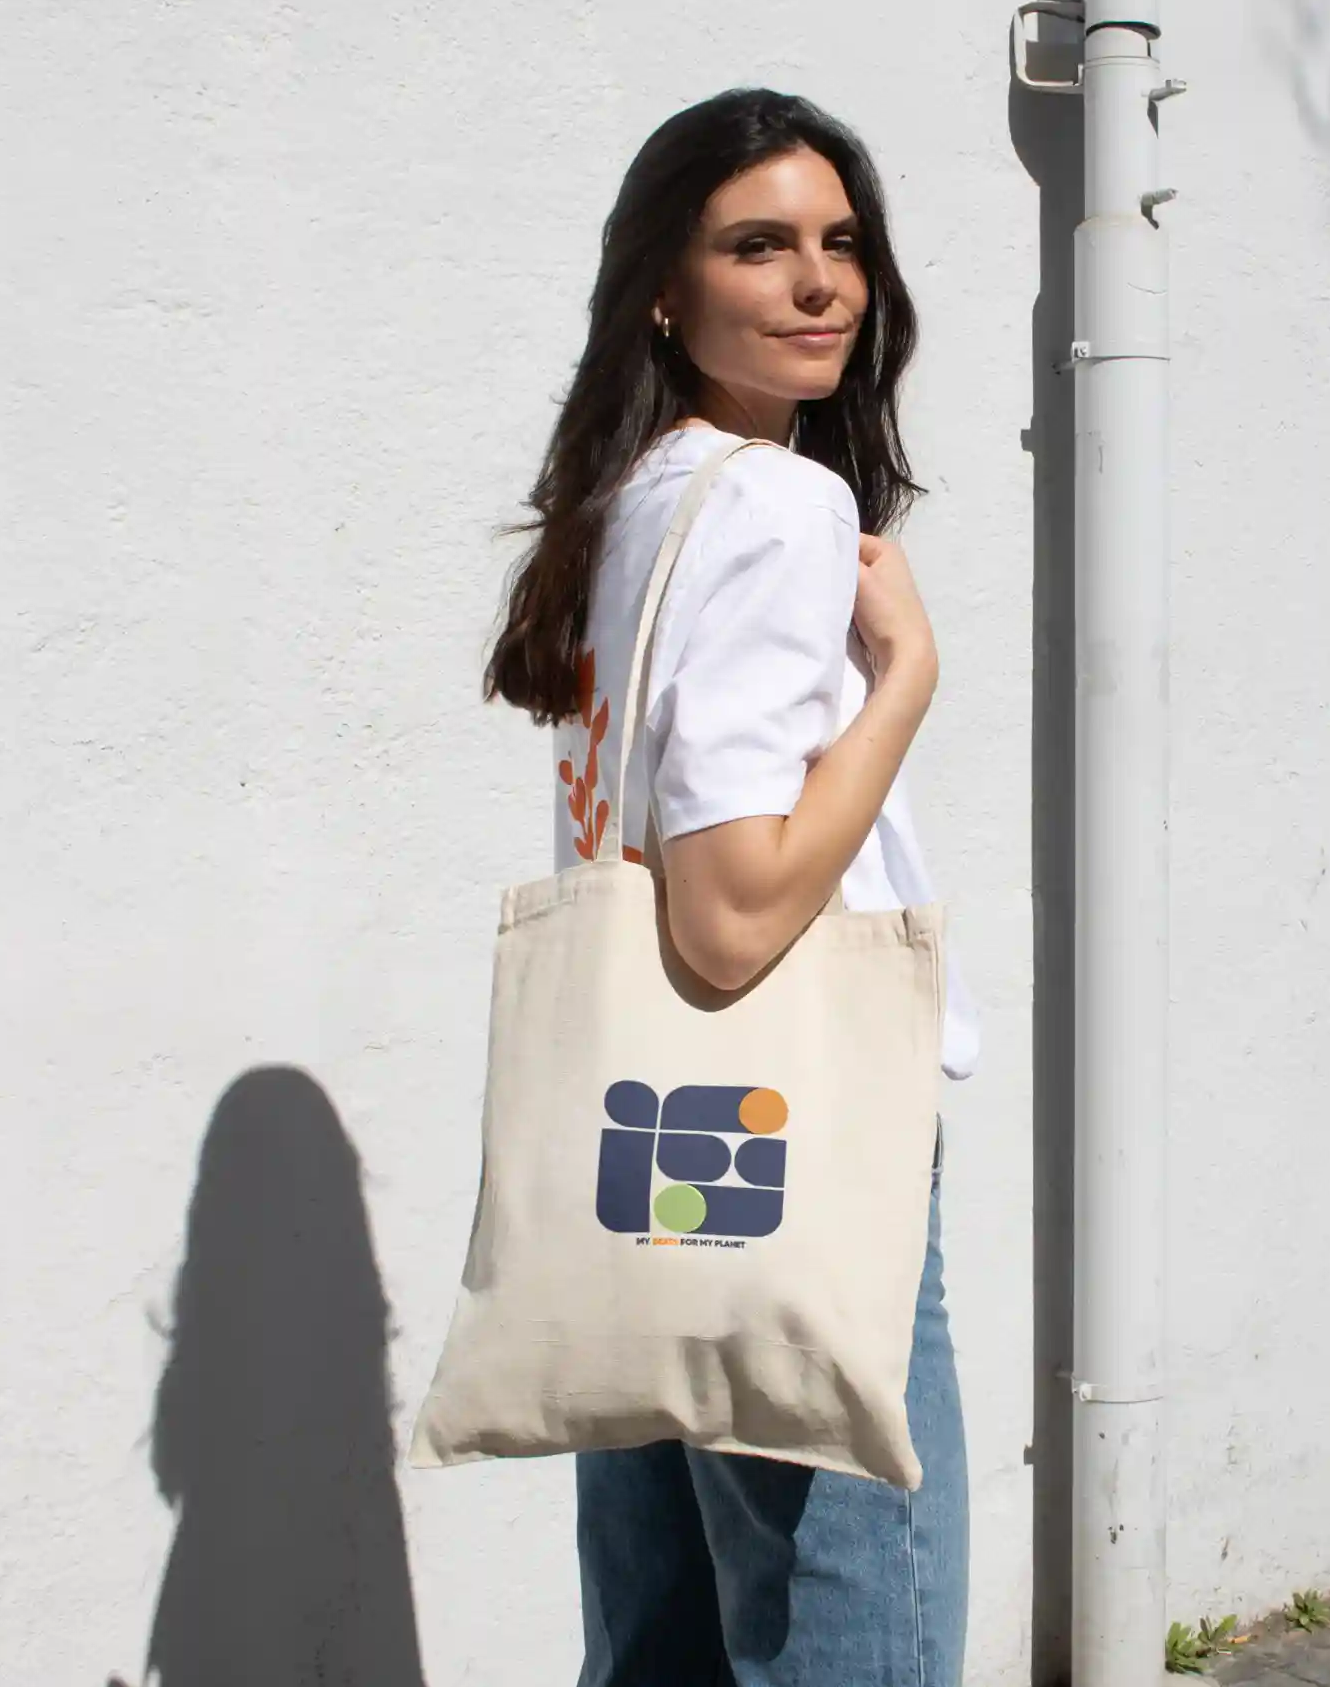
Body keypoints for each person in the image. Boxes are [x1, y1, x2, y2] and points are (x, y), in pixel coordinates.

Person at [481, 86, 979, 1687]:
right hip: (791, 1131)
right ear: (666, 289)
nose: (820, 283)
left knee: (664, 1635)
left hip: (630, 1137)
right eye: (759, 247)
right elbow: (732, 909)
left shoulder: (622, 513)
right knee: (851, 1612)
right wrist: (901, 681)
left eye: (842, 245)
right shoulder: (777, 504)